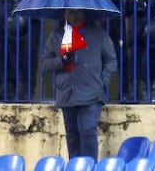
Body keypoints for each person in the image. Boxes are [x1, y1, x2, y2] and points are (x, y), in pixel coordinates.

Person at [41, 9, 117, 162]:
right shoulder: (56, 36)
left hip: (91, 92)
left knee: (87, 130)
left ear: (83, 14)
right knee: (72, 133)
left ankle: (89, 165)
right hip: (66, 92)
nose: (74, 16)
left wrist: (102, 81)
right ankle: (75, 165)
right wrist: (61, 61)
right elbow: (45, 63)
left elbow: (111, 60)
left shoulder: (98, 33)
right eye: (70, 13)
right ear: (64, 15)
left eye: (77, 12)